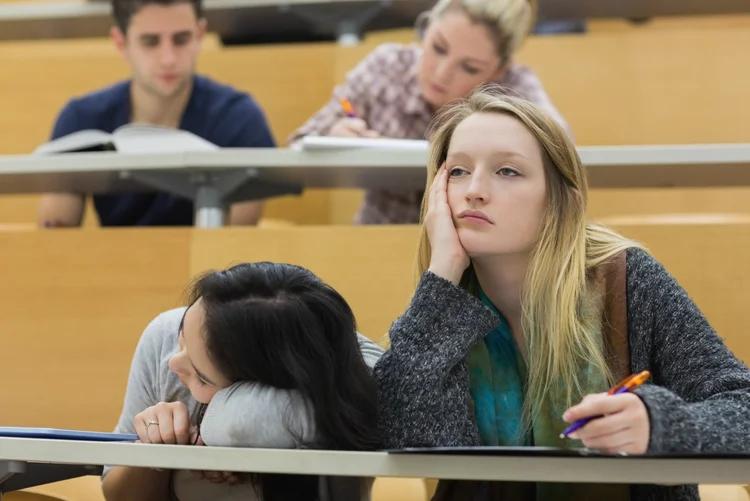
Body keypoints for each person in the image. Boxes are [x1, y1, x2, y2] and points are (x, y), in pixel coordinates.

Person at [373, 87, 750, 500]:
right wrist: (442, 271)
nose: (473, 190)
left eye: (507, 172)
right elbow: (400, 427)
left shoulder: (626, 279)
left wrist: (659, 424)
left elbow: (742, 407)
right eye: (458, 171)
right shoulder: (444, 302)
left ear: (561, 203)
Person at [101, 262, 383, 501]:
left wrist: (221, 436)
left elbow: (242, 422)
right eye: (182, 335)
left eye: (201, 377)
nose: (174, 362)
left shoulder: (350, 379)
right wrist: (154, 451)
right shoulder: (164, 337)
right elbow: (115, 491)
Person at [290, 0, 569, 225]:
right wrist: (333, 134)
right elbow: (298, 143)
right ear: (425, 27)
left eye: (469, 67)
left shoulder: (514, 89)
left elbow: (563, 157)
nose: (441, 73)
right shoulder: (387, 67)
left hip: (477, 256)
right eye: (437, 48)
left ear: (498, 71)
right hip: (378, 238)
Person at [37, 0, 275, 228]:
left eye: (181, 40)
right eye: (150, 42)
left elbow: (234, 246)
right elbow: (54, 239)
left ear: (200, 35)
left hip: (207, 266)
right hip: (114, 265)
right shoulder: (82, 119)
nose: (168, 59)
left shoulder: (238, 118)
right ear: (121, 43)